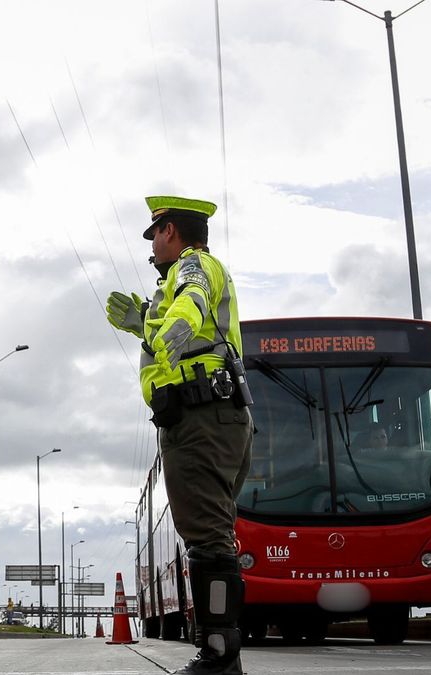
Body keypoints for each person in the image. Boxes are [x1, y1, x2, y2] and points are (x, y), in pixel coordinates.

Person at [106, 196, 253, 675]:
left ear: (170, 231)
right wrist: (142, 326)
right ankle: (219, 649)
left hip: (200, 418)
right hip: (210, 415)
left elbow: (190, 305)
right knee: (212, 534)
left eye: (155, 236)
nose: (152, 249)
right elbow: (181, 332)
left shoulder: (193, 266)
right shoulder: (187, 276)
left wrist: (173, 323)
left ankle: (218, 654)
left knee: (208, 538)